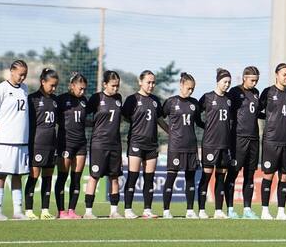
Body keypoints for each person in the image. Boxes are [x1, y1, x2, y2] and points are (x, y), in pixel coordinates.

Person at [122, 70, 169, 219]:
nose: (151, 85)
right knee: (133, 176)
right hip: (136, 142)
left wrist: (171, 132)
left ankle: (147, 210)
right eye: (148, 82)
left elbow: (160, 119)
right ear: (140, 82)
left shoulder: (155, 100)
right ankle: (128, 210)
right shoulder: (132, 99)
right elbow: (125, 116)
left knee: (149, 178)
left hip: (152, 144)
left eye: (153, 82)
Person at [0, 59, 30, 220]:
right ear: (12, 71)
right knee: (1, 175)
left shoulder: (25, 88)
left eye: (25, 75)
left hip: (21, 141)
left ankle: (17, 211)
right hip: (5, 141)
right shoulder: (2, 88)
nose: (22, 77)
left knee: (18, 176)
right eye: (20, 74)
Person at [161, 72, 204, 219]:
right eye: (188, 88)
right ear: (181, 85)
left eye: (192, 89)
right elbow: (159, 117)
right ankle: (166, 211)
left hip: (191, 146)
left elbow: (199, 122)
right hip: (176, 146)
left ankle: (190, 210)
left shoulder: (194, 103)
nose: (190, 91)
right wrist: (169, 131)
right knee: (171, 177)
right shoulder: (171, 102)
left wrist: (212, 127)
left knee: (190, 179)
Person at [83, 71, 124, 219]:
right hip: (99, 143)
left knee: (114, 177)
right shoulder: (97, 98)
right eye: (113, 85)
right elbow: (83, 114)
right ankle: (88, 212)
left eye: (117, 85)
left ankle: (114, 211)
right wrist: (92, 125)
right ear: (105, 84)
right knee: (94, 176)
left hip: (115, 144)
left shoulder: (119, 98)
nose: (115, 88)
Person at [258, 63, 286, 220]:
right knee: (268, 175)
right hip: (271, 141)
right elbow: (257, 111)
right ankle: (265, 211)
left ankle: (281, 211)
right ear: (276, 75)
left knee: (284, 177)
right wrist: (268, 120)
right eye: (284, 74)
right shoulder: (268, 92)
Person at [225, 66, 261, 219]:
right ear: (244, 78)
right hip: (238, 138)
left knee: (250, 174)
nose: (254, 83)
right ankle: (230, 209)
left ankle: (247, 210)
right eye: (252, 80)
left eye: (256, 80)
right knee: (233, 173)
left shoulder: (256, 93)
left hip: (254, 138)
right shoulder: (234, 92)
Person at [24, 68, 60, 220]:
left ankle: (45, 210)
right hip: (37, 144)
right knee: (34, 176)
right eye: (51, 85)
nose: (54, 88)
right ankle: (29, 210)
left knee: (48, 177)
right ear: (42, 82)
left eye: (56, 86)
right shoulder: (32, 99)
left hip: (52, 144)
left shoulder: (55, 101)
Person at [197, 68, 233, 219]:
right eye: (225, 82)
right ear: (218, 81)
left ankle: (218, 210)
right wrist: (205, 126)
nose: (227, 85)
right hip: (210, 144)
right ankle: (201, 210)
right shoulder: (207, 97)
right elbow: (196, 114)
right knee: (206, 177)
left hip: (224, 145)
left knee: (220, 177)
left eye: (229, 82)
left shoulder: (229, 99)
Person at [55, 72, 89, 219]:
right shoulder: (61, 99)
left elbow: (83, 121)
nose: (82, 91)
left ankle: (72, 210)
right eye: (80, 88)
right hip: (65, 144)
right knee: (62, 177)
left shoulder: (84, 101)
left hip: (81, 144)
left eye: (84, 89)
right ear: (72, 86)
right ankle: (61, 211)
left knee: (76, 178)